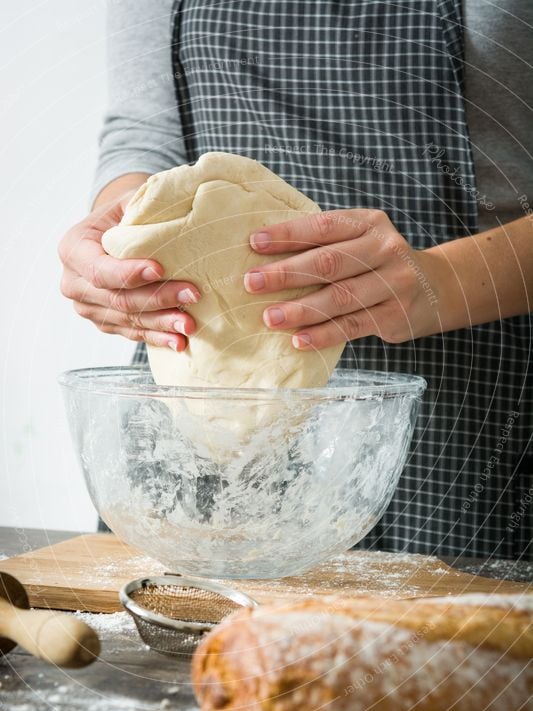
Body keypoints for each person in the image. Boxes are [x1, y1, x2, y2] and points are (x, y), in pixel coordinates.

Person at [58, 1, 532, 560]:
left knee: (439, 641)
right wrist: (119, 240)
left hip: (472, 403)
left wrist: (442, 280)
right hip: (199, 382)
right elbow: (144, 132)